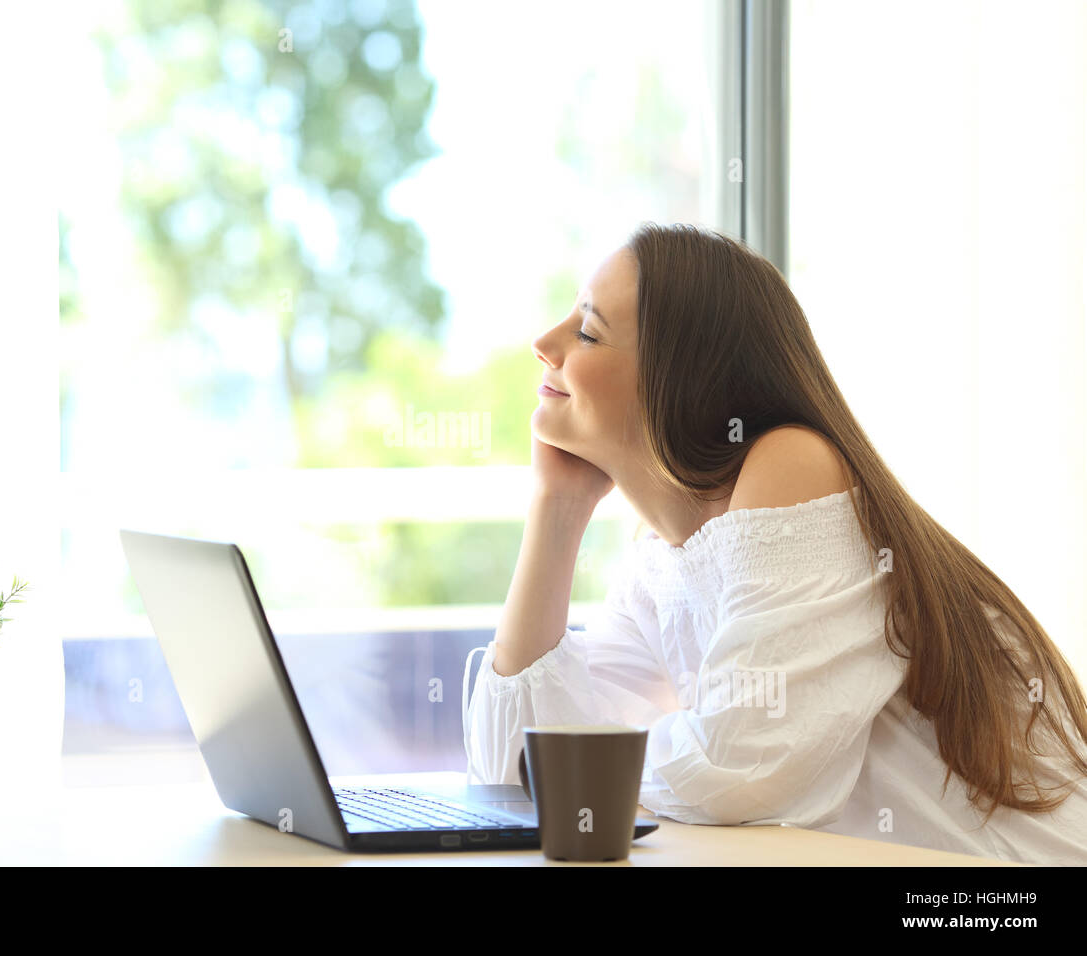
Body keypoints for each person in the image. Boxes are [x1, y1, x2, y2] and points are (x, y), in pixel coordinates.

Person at [462, 222, 1087, 865]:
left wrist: (593, 769)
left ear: (682, 380)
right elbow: (514, 771)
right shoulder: (662, 554)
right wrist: (556, 509)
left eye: (588, 332)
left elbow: (740, 772)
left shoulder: (792, 464)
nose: (543, 343)